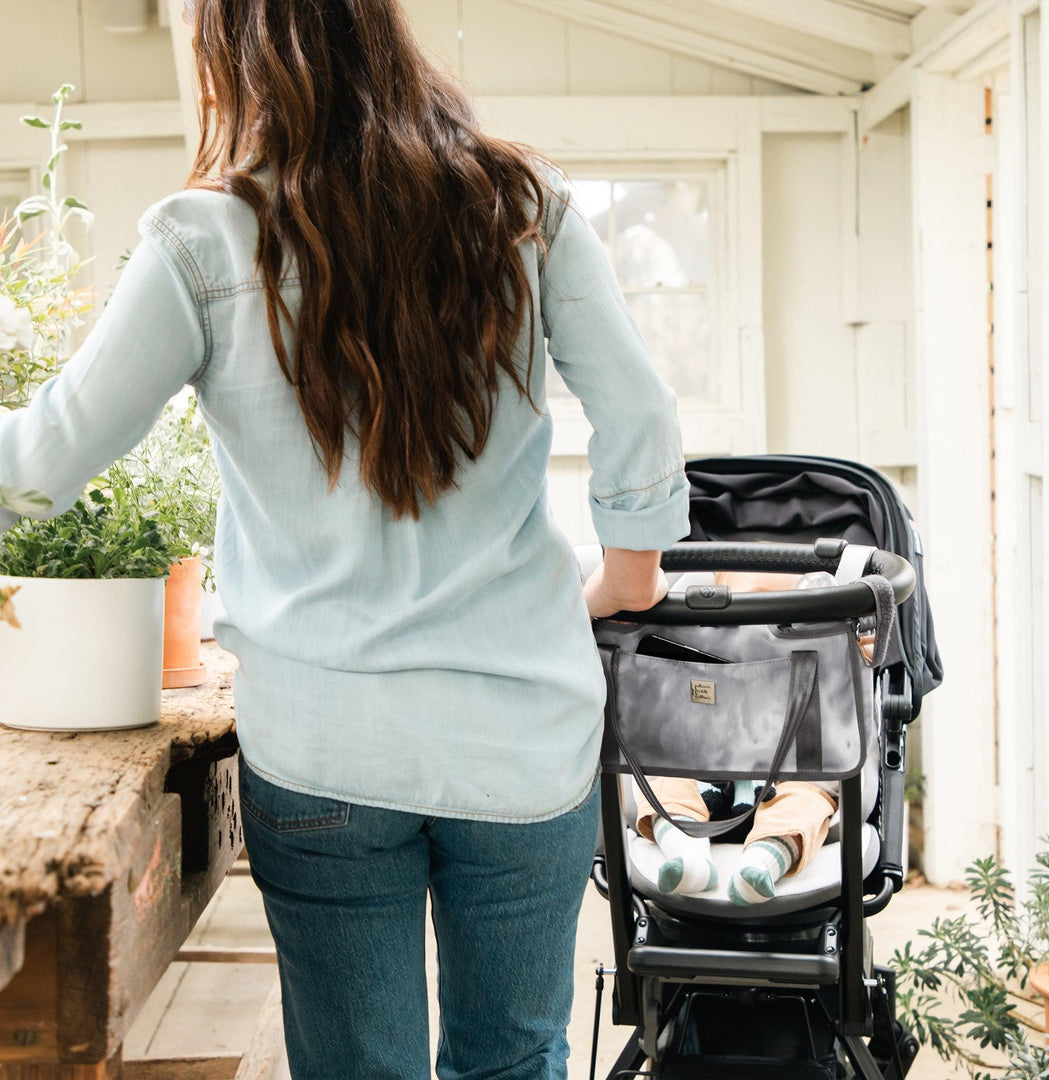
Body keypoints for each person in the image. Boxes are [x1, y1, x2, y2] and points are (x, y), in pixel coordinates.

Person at [0, 2, 688, 1077]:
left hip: (326, 752)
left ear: (230, 53)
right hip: (524, 738)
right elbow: (640, 412)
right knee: (513, 1061)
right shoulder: (523, 205)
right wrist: (627, 576)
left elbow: (37, 468)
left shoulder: (203, 239)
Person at [635, 567, 865, 905]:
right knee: (663, 782)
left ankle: (763, 861)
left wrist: (861, 655)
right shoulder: (700, 660)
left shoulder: (820, 659)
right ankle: (688, 856)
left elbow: (844, 707)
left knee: (809, 799)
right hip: (703, 775)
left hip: (790, 778)